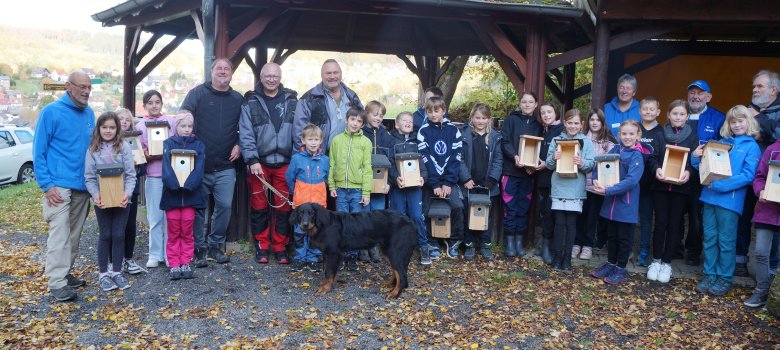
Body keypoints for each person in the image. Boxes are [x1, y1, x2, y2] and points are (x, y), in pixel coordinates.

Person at [33, 71, 95, 301]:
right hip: (58, 186)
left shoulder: (89, 113)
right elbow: (39, 151)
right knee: (59, 235)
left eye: (89, 87)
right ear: (68, 87)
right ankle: (57, 283)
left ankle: (65, 273)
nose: (87, 91)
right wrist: (46, 185)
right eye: (82, 87)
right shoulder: (51, 112)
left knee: (74, 235)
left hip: (81, 186)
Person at [180, 58, 244, 266]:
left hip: (226, 165)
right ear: (211, 71)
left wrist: (239, 143)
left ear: (231, 73)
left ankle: (215, 245)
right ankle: (198, 247)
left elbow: (246, 127)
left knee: (224, 206)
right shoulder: (197, 94)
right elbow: (182, 120)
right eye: (219, 68)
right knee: (199, 208)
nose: (223, 72)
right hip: (200, 165)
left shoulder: (237, 98)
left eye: (227, 68)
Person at [691, 105, 760, 296]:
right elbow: (704, 166)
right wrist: (695, 158)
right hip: (709, 197)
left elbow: (748, 175)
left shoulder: (751, 146)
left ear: (748, 122)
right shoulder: (721, 143)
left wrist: (721, 185)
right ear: (728, 124)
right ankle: (710, 274)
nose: (737, 125)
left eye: (740, 121)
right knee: (710, 238)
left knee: (726, 240)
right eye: (733, 121)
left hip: (729, 201)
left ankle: (724, 278)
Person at [239, 62, 297, 265]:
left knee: (283, 208)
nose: (271, 79)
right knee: (259, 206)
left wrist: (297, 160)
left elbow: (298, 133)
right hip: (260, 163)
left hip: (285, 163)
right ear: (261, 77)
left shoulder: (292, 101)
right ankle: (262, 246)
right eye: (267, 76)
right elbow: (246, 134)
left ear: (280, 77)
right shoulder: (250, 102)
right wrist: (252, 159)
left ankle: (281, 246)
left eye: (275, 76)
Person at [646, 100, 699, 283]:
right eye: (674, 114)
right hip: (660, 187)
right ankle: (656, 261)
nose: (678, 117)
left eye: (682, 114)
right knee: (660, 224)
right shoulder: (660, 135)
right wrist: (656, 170)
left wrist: (688, 173)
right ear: (668, 115)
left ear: (687, 117)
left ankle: (667, 263)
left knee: (674, 226)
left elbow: (695, 163)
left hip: (681, 190)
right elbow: (652, 158)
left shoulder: (693, 137)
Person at [84, 112, 136, 292]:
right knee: (106, 235)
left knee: (119, 234)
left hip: (122, 199)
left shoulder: (123, 147)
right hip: (102, 200)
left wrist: (127, 194)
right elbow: (89, 177)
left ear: (117, 129)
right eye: (104, 127)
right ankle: (103, 274)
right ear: (98, 128)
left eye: (112, 127)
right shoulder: (92, 149)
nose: (108, 130)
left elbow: (131, 175)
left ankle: (117, 272)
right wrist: (95, 195)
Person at [590, 120, 646, 285]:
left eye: (631, 134)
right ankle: (611, 263)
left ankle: (621, 268)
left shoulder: (637, 155)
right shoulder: (615, 149)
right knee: (612, 236)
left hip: (625, 206)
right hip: (610, 205)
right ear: (619, 135)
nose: (627, 137)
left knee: (624, 239)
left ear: (638, 135)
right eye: (624, 134)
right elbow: (599, 165)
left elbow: (631, 181)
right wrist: (595, 179)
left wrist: (608, 190)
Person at [737, 70, 780, 276]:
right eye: (754, 86)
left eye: (760, 86)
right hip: (746, 175)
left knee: (772, 225)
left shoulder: (761, 113)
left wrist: (759, 120)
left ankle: (771, 270)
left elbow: (777, 134)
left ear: (773, 90)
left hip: (770, 180)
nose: (754, 90)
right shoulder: (746, 110)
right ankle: (739, 262)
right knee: (742, 218)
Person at [683, 80, 726, 267]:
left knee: (696, 216)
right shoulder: (679, 113)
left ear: (709, 97)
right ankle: (675, 247)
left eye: (700, 93)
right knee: (676, 213)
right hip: (678, 172)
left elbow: (723, 149)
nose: (695, 96)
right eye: (692, 92)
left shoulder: (718, 118)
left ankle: (693, 251)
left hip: (701, 177)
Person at [545, 109, 595, 270]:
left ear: (581, 125)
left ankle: (567, 259)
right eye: (569, 123)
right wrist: (553, 158)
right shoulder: (556, 140)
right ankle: (557, 256)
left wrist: (581, 162)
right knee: (559, 223)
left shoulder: (586, 142)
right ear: (564, 123)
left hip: (575, 189)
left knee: (571, 224)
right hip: (559, 187)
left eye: (576, 123)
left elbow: (590, 165)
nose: (572, 126)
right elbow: (549, 164)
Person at [418, 97, 465, 259]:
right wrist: (435, 183)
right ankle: (431, 242)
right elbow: (425, 160)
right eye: (429, 111)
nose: (433, 114)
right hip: (431, 182)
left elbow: (455, 157)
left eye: (436, 111)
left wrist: (447, 182)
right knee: (425, 210)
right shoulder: (423, 131)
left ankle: (453, 241)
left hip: (448, 182)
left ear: (443, 111)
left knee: (457, 206)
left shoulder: (454, 131)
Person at [160, 112, 206, 280]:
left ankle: (185, 261)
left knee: (187, 231)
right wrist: (175, 185)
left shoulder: (199, 145)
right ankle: (173, 263)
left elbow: (199, 168)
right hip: (172, 196)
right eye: (183, 126)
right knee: (173, 231)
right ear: (176, 127)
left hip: (190, 196)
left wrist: (188, 185)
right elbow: (166, 168)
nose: (187, 129)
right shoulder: (168, 143)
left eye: (189, 126)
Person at [499, 92, 544, 257]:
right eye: (524, 102)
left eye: (530, 102)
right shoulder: (511, 120)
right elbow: (504, 141)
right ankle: (509, 242)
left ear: (536, 104)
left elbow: (539, 149)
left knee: (523, 208)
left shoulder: (538, 125)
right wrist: (515, 156)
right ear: (520, 103)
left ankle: (519, 241)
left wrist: (533, 165)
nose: (527, 104)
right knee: (510, 208)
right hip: (511, 172)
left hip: (528, 174)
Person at [328, 107, 373, 271]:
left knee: (356, 225)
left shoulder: (366, 142)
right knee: (341, 224)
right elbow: (332, 164)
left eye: (359, 121)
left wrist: (366, 192)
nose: (355, 123)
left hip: (357, 191)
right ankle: (342, 255)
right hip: (340, 189)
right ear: (346, 120)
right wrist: (332, 185)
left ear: (362, 124)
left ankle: (353, 257)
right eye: (353, 119)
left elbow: (368, 168)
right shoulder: (337, 140)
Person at [135, 90, 175, 268]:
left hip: (171, 175)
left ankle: (169, 254)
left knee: (169, 217)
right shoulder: (141, 126)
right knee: (155, 216)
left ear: (161, 104)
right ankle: (154, 254)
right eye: (150, 102)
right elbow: (138, 151)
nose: (154, 105)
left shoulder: (170, 122)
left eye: (157, 102)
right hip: (153, 176)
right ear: (144, 106)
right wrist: (146, 153)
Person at [460, 103, 502, 261]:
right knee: (468, 213)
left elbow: (498, 160)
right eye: (477, 117)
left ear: (489, 119)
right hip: (469, 184)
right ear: (471, 118)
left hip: (487, 185)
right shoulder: (464, 136)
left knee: (486, 216)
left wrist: (491, 180)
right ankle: (469, 244)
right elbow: (459, 159)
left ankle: (485, 244)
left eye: (484, 118)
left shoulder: (495, 137)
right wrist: (465, 178)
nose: (480, 121)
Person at [293, 59, 363, 154]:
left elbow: (363, 122)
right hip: (319, 156)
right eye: (328, 73)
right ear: (322, 75)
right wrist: (307, 157)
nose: (332, 76)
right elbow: (299, 132)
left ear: (341, 74)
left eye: (335, 72)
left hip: (348, 156)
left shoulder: (352, 97)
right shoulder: (308, 99)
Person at [574, 108, 616, 261]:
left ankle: (588, 245)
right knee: (580, 216)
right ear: (588, 122)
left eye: (598, 120)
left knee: (592, 217)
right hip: (580, 183)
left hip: (597, 187)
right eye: (592, 119)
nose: (595, 122)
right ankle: (576, 243)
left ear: (602, 122)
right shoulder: (581, 139)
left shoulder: (609, 144)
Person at [389, 112, 431, 264]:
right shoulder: (391, 140)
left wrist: (423, 177)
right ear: (396, 124)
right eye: (404, 120)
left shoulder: (417, 141)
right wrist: (395, 178)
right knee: (398, 217)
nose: (408, 123)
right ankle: (398, 248)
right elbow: (390, 163)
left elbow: (422, 162)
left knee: (417, 216)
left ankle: (423, 246)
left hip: (414, 188)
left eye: (410, 121)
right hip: (398, 188)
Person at [744, 132, 780, 308]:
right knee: (760, 252)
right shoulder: (772, 150)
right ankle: (761, 289)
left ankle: (776, 296)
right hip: (767, 210)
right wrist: (761, 191)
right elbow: (759, 177)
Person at [286, 124, 329, 272]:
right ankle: (300, 258)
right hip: (301, 204)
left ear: (321, 141)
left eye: (316, 139)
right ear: (303, 140)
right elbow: (290, 178)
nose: (313, 142)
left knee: (315, 233)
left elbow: (327, 179)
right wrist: (296, 193)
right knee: (299, 233)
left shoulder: (325, 160)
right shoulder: (297, 159)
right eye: (310, 139)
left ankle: (313, 258)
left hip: (318, 206)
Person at [360, 100, 394, 263]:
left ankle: (374, 247)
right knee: (364, 216)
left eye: (381, 116)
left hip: (381, 186)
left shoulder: (386, 137)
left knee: (377, 217)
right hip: (364, 185)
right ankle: (363, 248)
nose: (378, 118)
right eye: (375, 115)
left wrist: (390, 182)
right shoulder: (360, 133)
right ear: (367, 114)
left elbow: (392, 162)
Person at [116, 108, 146, 275]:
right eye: (120, 119)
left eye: (127, 119)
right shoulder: (110, 141)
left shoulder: (135, 141)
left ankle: (128, 258)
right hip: (113, 188)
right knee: (116, 225)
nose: (124, 122)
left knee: (130, 224)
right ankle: (115, 259)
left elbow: (142, 168)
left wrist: (137, 167)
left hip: (131, 189)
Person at [535, 102, 564, 264]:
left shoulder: (560, 131)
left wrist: (546, 163)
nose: (546, 115)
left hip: (555, 178)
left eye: (549, 112)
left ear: (556, 113)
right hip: (542, 178)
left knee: (550, 213)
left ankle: (548, 247)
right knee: (543, 212)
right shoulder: (544, 131)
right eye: (543, 113)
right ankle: (543, 245)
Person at [636, 97, 664, 266]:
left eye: (651, 109)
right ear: (640, 111)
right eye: (645, 109)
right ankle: (626, 248)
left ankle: (644, 251)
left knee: (647, 220)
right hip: (633, 183)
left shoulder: (662, 132)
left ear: (658, 112)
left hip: (653, 183)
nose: (648, 112)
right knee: (631, 218)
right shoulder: (634, 129)